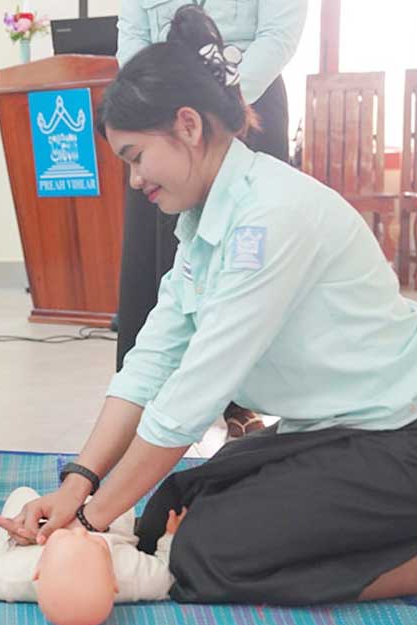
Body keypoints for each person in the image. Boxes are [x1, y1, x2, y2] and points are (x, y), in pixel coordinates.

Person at [0, 6, 417, 606]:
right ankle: (397, 528)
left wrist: (88, 525)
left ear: (188, 126)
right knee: (171, 506)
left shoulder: (270, 217)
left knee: (206, 556)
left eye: (136, 157)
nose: (136, 180)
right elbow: (150, 363)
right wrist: (78, 486)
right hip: (341, 432)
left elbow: (194, 393)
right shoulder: (202, 221)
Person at [114, 0, 308, 439]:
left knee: (245, 255)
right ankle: (143, 398)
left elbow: (278, 36)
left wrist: (223, 102)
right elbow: (132, 37)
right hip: (161, 115)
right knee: (160, 258)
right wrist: (153, 103)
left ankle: (244, 400)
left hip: (247, 107)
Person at [0, 487, 186, 625]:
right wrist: (171, 537)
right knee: (120, 503)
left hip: (27, 547)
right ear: (114, 582)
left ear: (37, 574)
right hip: (109, 531)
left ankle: (14, 539)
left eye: (74, 539)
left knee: (23, 495)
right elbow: (168, 573)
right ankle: (88, 506)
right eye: (89, 544)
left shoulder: (17, 573)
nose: (80, 535)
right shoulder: (129, 573)